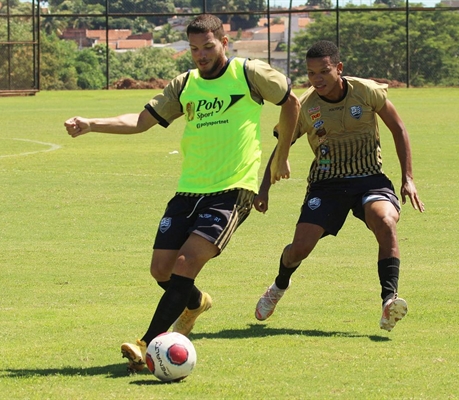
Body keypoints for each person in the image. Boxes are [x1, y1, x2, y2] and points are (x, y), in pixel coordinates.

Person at [64, 14, 300, 372]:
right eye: (194, 49)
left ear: (224, 40)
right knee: (161, 270)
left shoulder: (249, 73)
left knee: (184, 263)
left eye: (208, 46)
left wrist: (280, 158)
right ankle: (195, 303)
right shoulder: (185, 84)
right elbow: (142, 122)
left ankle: (146, 346)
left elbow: (291, 102)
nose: (201, 55)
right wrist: (92, 124)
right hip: (189, 190)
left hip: (232, 189)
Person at [253, 40, 424, 332]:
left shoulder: (366, 91)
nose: (317, 79)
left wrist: (408, 177)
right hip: (327, 184)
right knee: (300, 249)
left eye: (324, 71)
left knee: (385, 221)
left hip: (369, 178)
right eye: (311, 73)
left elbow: (399, 129)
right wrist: (264, 188)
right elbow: (283, 144)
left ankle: (388, 299)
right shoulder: (305, 106)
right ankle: (279, 286)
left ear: (339, 68)